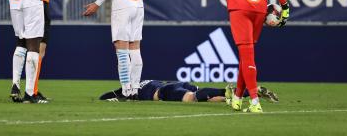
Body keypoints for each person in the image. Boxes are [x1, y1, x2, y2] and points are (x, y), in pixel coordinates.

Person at [99, 80, 279, 104]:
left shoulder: (130, 88)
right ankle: (248, 93)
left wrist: (106, 99)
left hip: (166, 91)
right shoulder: (144, 81)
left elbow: (108, 96)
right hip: (174, 84)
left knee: (191, 99)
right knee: (201, 98)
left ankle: (232, 91)